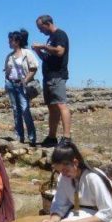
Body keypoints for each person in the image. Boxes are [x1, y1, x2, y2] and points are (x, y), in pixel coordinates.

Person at [32, 14, 71, 146]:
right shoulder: (50, 39)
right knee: (52, 108)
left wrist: (42, 46)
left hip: (57, 75)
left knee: (61, 105)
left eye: (40, 27)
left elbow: (60, 51)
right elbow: (47, 58)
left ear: (47, 23)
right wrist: (38, 51)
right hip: (48, 76)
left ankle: (66, 138)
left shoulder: (60, 35)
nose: (40, 30)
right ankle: (52, 137)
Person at [4, 29, 39, 146]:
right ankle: (19, 136)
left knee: (25, 110)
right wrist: (7, 75)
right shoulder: (9, 56)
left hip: (22, 84)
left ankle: (32, 137)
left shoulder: (27, 53)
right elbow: (6, 70)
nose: (9, 43)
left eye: (11, 40)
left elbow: (33, 68)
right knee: (16, 111)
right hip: (11, 83)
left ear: (17, 41)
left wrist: (25, 80)